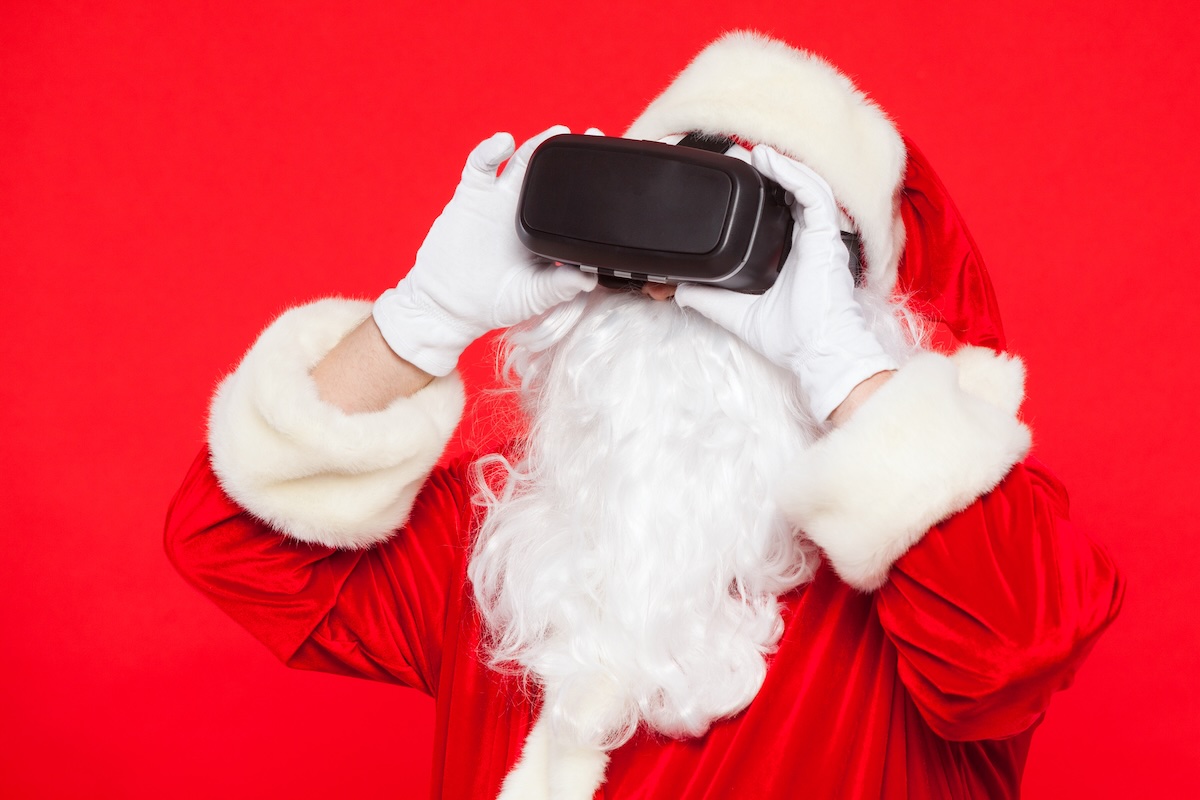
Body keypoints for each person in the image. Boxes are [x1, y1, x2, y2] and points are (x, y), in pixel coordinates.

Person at [165, 31, 1123, 799]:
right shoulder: (509, 537)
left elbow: (1021, 642)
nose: (674, 293)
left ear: (872, 304)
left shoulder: (948, 556)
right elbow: (230, 542)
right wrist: (417, 320)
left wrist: (837, 362)